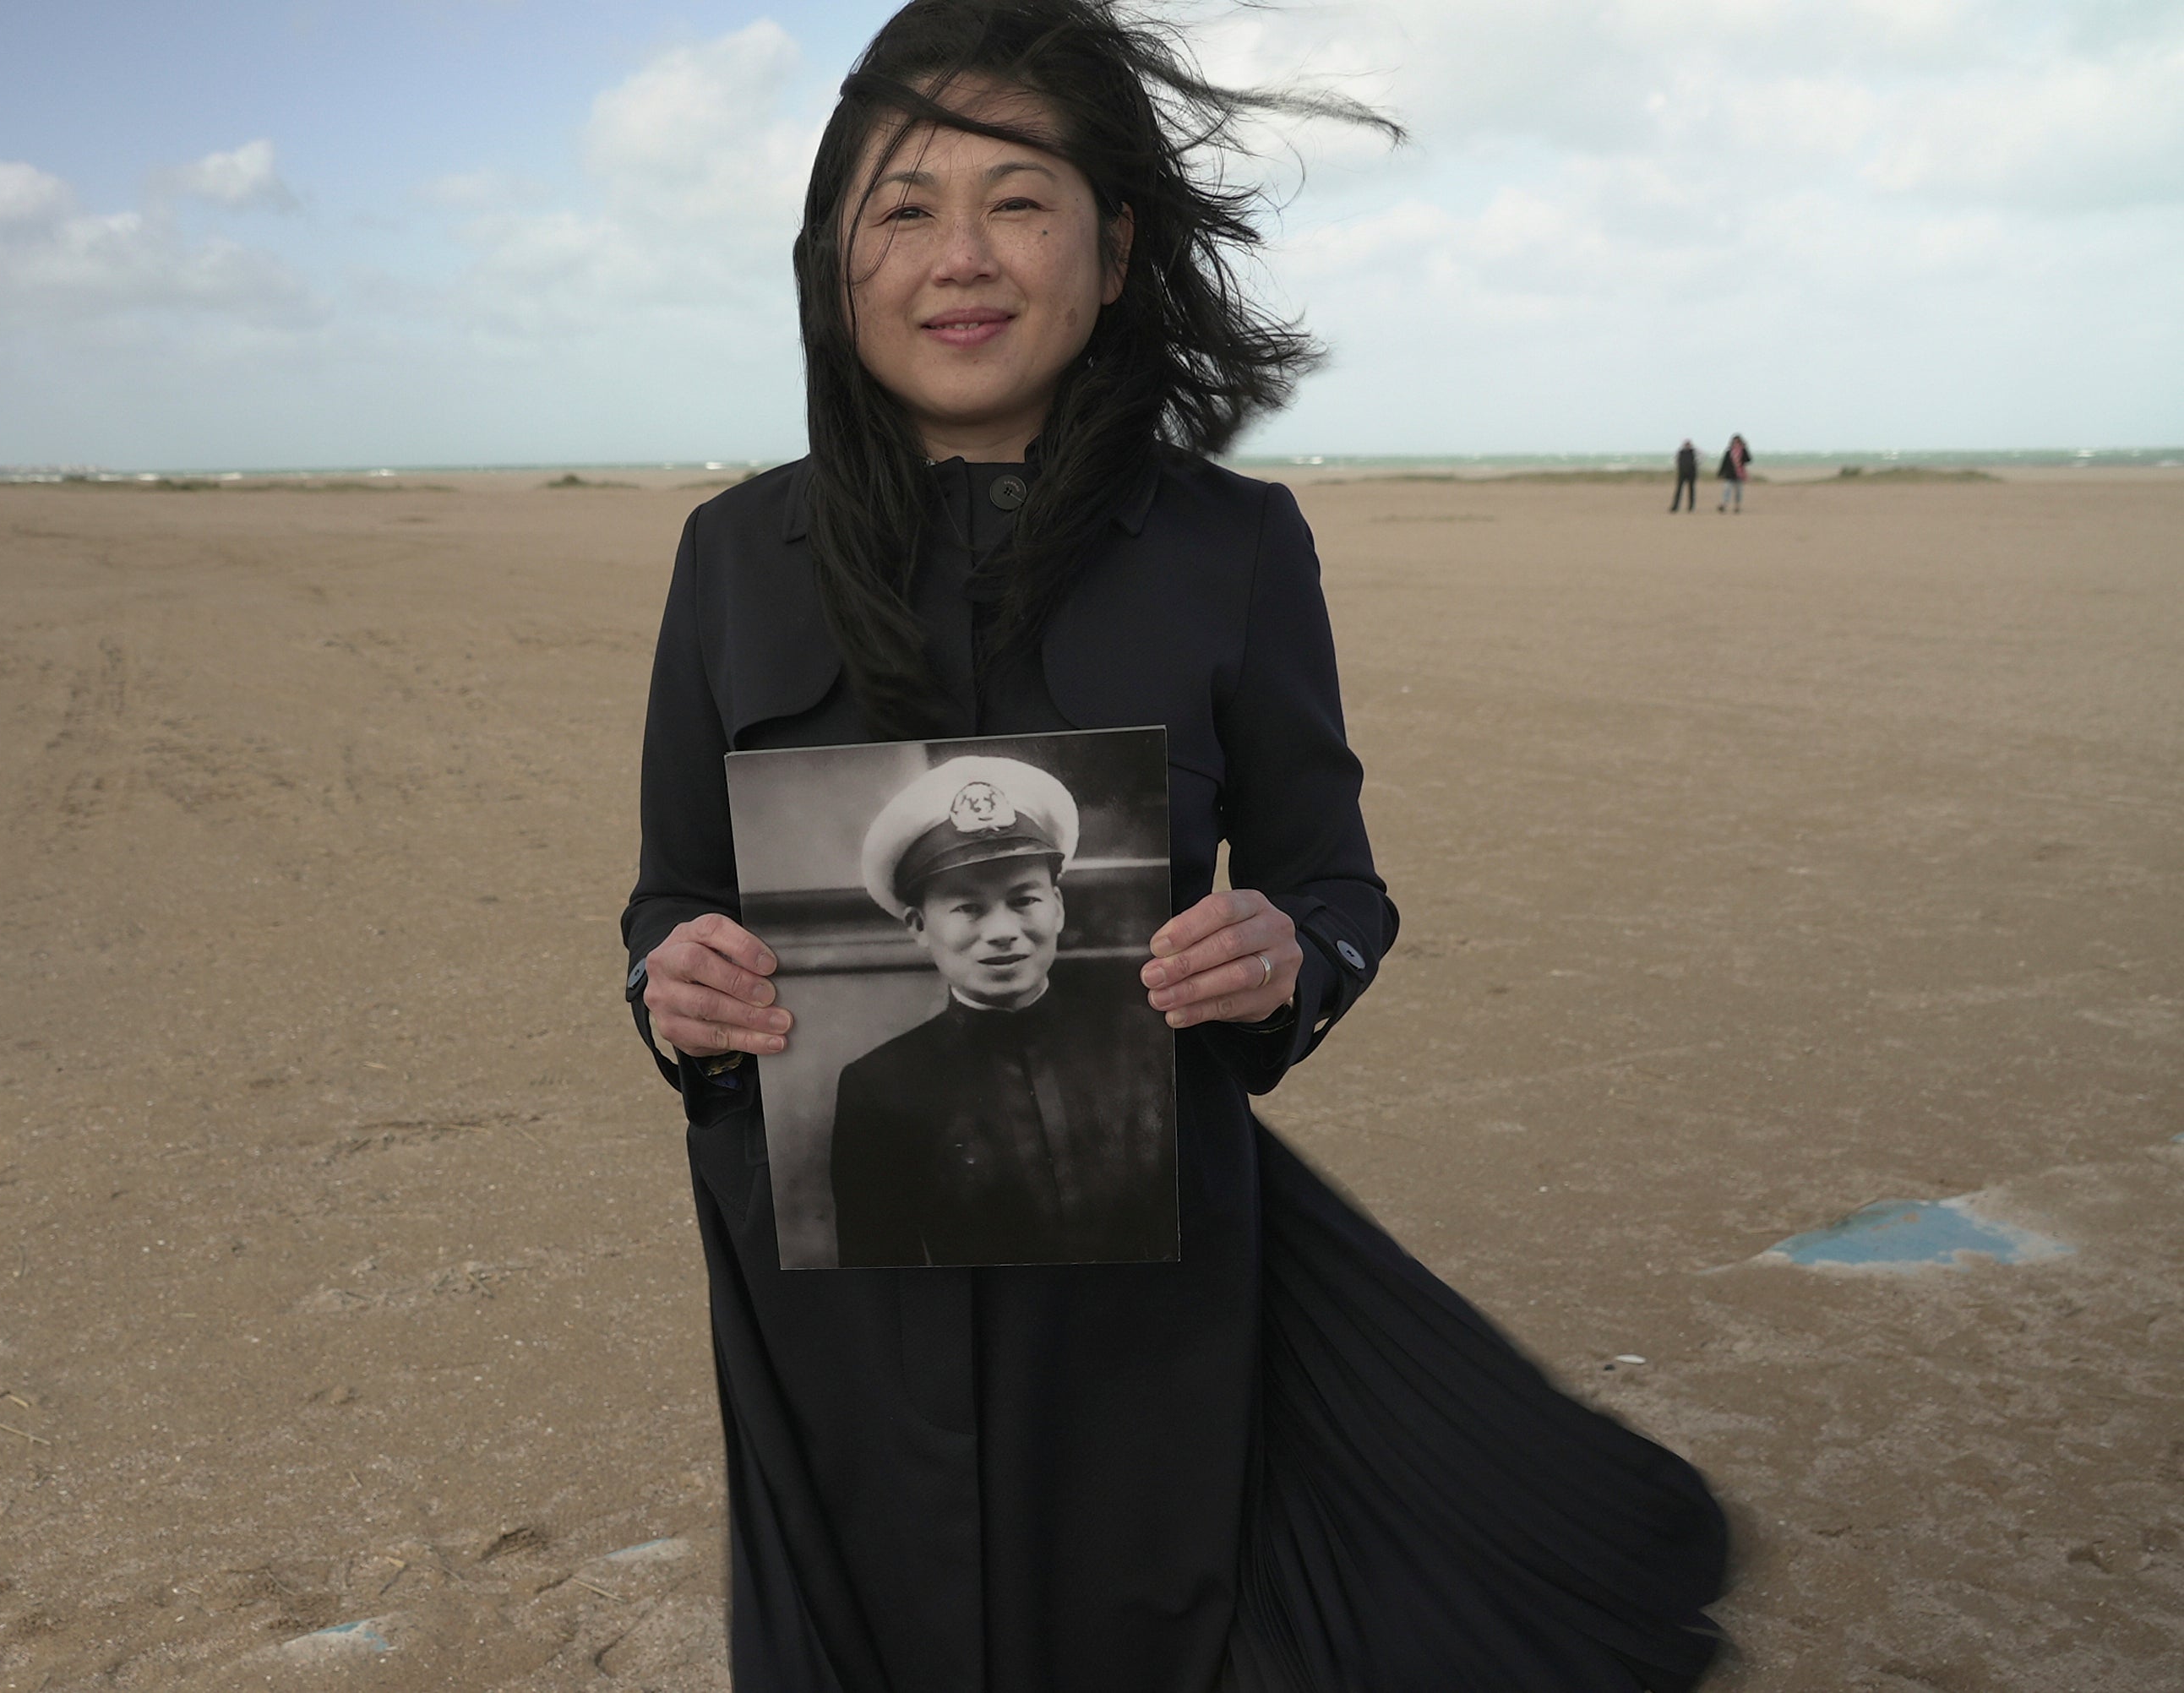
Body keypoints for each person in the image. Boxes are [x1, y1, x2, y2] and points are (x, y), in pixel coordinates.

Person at [620, 3, 1730, 1688]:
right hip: (824, 1291)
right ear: (833, 260)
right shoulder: (731, 558)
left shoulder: (1233, 549)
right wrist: (669, 988)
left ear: (1117, 245)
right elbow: (671, 899)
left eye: (1018, 199)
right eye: (902, 207)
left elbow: (1337, 883)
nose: (959, 257)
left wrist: (1287, 957)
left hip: (1148, 1281)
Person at [829, 754, 1178, 1267]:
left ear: (1057, 906)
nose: (1002, 931)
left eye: (1024, 900)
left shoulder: (1149, 1042)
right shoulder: (879, 1088)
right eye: (968, 908)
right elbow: (878, 1270)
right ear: (918, 925)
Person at [1718, 433, 1752, 512]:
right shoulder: (1729, 452)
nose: (1736, 443)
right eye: (1735, 442)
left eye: (1738, 442)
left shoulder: (1743, 451)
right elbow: (1724, 463)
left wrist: (1745, 448)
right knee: (1726, 490)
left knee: (1738, 492)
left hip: (1739, 474)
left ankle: (1737, 506)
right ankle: (1724, 504)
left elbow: (1749, 460)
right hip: (1729, 474)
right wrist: (1720, 473)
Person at [1671, 438, 1698, 511]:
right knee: (1679, 490)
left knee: (1691, 491)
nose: (1687, 446)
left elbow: (1701, 457)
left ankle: (1691, 507)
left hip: (1691, 473)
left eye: (1688, 444)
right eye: (1686, 444)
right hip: (1682, 473)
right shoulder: (1681, 452)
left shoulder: (1693, 452)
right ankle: (1675, 507)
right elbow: (1676, 460)